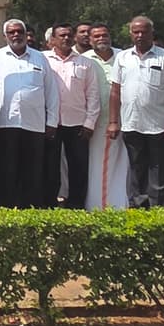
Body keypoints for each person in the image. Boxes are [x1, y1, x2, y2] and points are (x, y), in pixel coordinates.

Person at [108, 16, 164, 208]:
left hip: (158, 125)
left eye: (144, 31)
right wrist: (114, 121)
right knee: (136, 168)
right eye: (136, 32)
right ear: (130, 34)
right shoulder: (123, 57)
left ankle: (158, 210)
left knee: (159, 170)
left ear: (152, 33)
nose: (140, 35)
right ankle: (138, 208)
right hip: (131, 123)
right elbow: (115, 91)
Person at [0, 19, 58, 209]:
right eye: (11, 32)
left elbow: (51, 91)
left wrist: (52, 122)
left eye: (19, 31)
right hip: (5, 123)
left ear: (26, 34)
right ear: (5, 36)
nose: (16, 35)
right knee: (6, 171)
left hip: (34, 124)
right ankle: (6, 209)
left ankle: (31, 211)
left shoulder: (39, 58)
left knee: (32, 172)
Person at [42, 23, 100, 209]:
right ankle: (49, 204)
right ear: (53, 39)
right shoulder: (43, 60)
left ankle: (76, 205)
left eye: (68, 35)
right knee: (50, 166)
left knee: (78, 166)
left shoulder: (85, 63)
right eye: (61, 35)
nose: (66, 38)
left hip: (77, 123)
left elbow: (93, 94)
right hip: (50, 123)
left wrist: (89, 123)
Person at [83, 23, 129, 209]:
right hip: (95, 122)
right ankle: (96, 206)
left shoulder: (123, 57)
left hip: (124, 119)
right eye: (97, 36)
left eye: (105, 35)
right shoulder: (85, 59)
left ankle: (119, 205)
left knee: (122, 164)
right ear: (90, 40)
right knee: (96, 165)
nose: (101, 38)